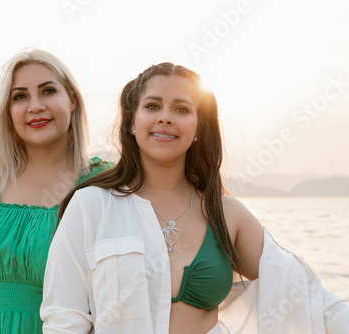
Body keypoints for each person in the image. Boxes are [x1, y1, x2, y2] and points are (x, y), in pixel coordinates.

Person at [40, 62, 349, 333]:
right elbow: (64, 319)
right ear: (132, 122)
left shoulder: (227, 214)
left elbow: (306, 296)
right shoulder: (91, 205)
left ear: (198, 128)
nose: (165, 117)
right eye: (152, 106)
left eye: (182, 109)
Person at [0, 48, 113, 334]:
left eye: (48, 91)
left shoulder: (103, 184)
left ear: (73, 100)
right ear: (8, 110)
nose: (35, 106)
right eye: (20, 96)